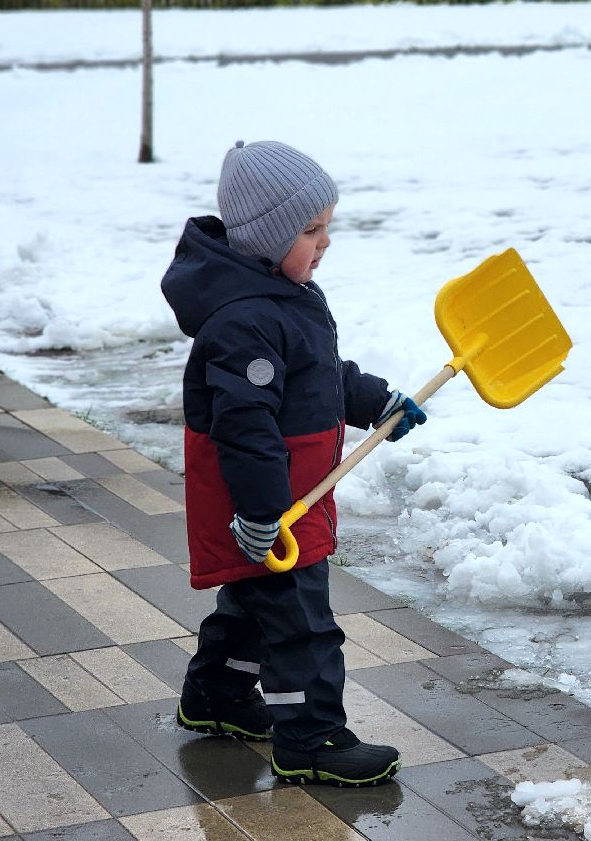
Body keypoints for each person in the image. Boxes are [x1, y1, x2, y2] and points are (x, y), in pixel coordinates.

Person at [160, 139, 426, 787]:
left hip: (289, 497)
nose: (325, 242)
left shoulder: (281, 297)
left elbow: (318, 375)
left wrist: (373, 401)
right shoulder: (245, 321)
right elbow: (245, 425)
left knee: (255, 607)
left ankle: (215, 697)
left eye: (326, 226)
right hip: (272, 505)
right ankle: (310, 738)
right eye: (311, 230)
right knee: (303, 626)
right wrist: (260, 512)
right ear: (265, 237)